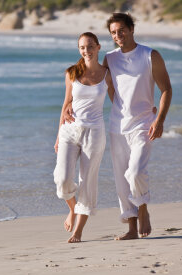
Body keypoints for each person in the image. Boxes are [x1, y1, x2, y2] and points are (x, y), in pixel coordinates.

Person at [65, 13, 172, 240]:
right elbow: (103, 86)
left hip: (144, 124)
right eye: (113, 32)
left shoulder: (150, 55)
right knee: (122, 181)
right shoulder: (110, 58)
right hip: (117, 126)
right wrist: (70, 106)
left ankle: (143, 208)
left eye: (121, 30)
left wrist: (159, 119)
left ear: (132, 29)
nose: (118, 36)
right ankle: (132, 229)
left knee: (135, 172)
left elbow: (166, 90)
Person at [53, 32, 115, 243]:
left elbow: (119, 102)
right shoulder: (71, 73)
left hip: (95, 133)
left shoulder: (108, 74)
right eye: (82, 47)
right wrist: (57, 136)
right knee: (62, 179)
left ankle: (78, 231)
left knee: (87, 182)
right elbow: (65, 104)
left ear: (98, 47)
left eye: (90, 46)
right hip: (69, 131)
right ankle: (72, 209)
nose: (86, 51)